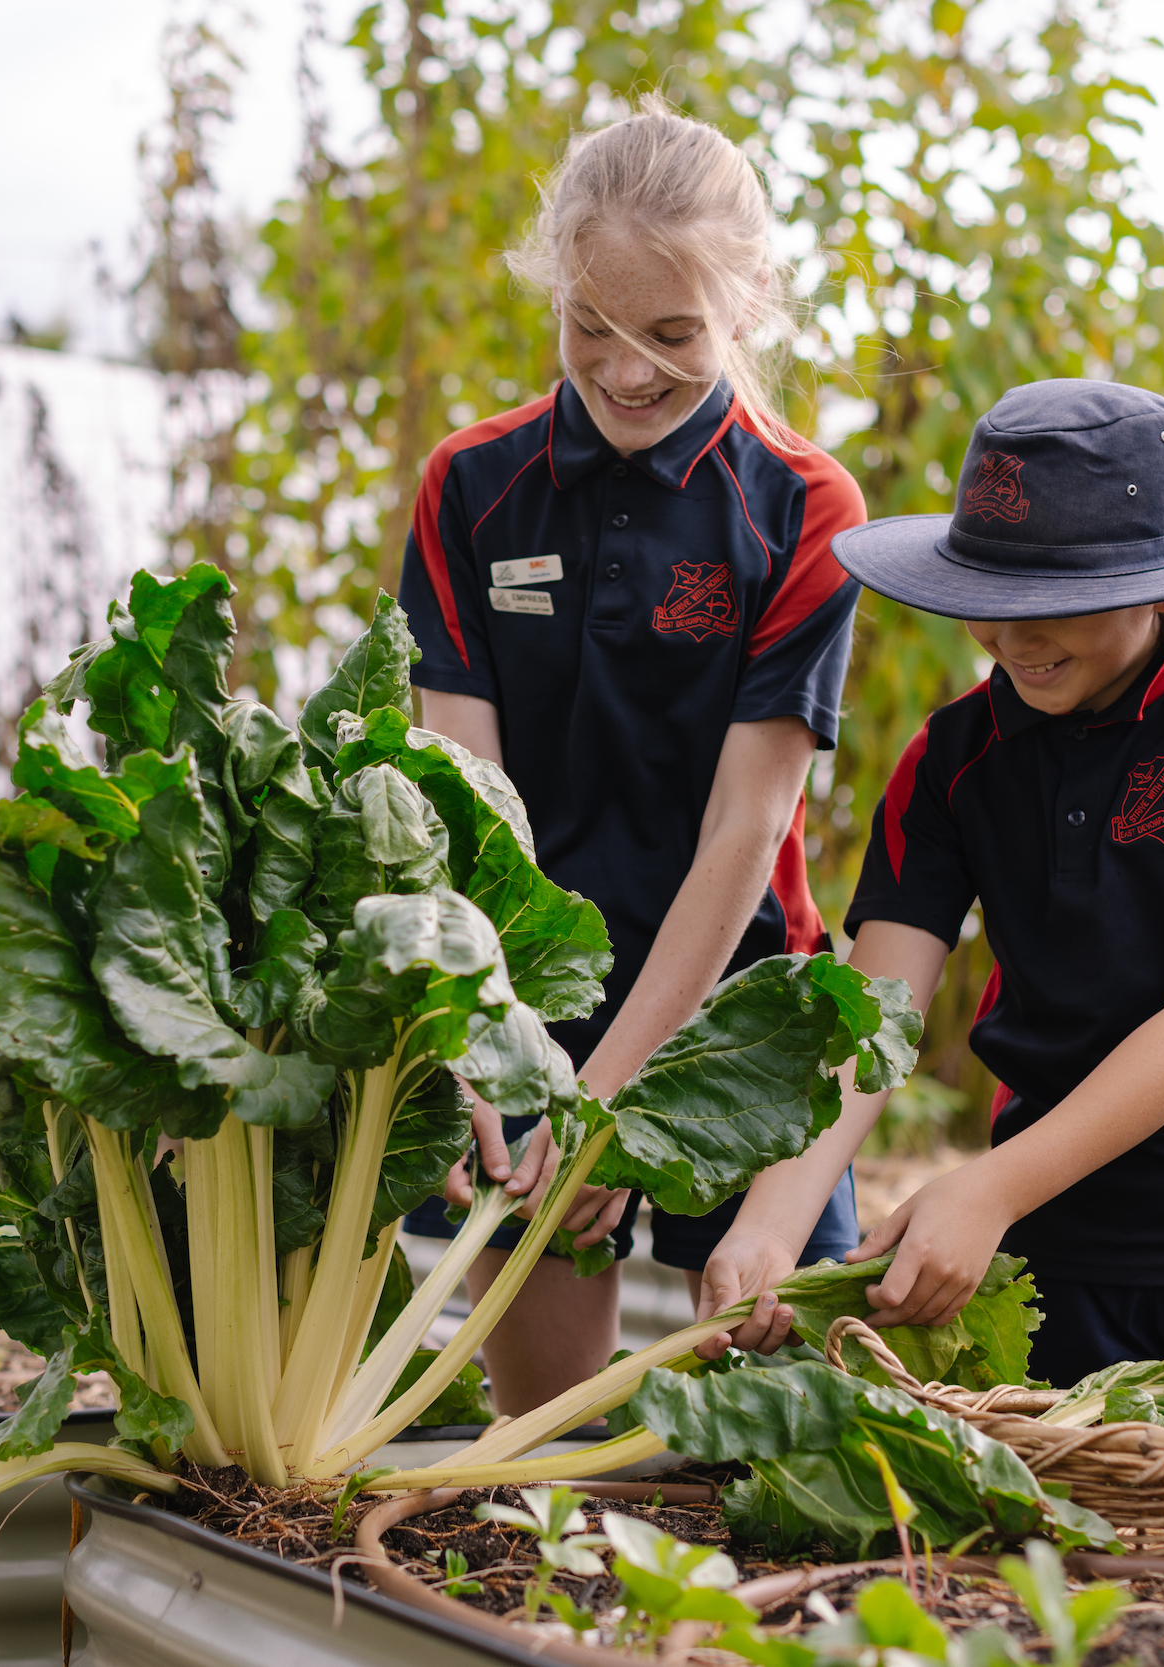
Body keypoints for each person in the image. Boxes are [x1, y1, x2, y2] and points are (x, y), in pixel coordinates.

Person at [693, 378, 1164, 1389]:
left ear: (1161, 584)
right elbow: (869, 1026)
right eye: (985, 604)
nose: (1013, 639)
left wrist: (988, 1187)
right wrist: (768, 1227)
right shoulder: (950, 759)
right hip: (1048, 1248)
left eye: (1055, 605)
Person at [396, 98, 872, 1414]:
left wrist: (609, 1097)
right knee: (539, 1448)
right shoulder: (467, 487)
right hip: (524, 1010)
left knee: (779, 1443)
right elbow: (466, 806)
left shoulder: (807, 509)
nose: (624, 370)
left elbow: (745, 831)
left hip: (741, 1017)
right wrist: (503, 1047)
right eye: (588, 326)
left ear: (749, 309)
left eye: (671, 335)